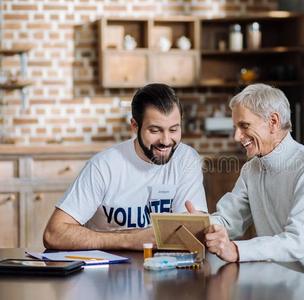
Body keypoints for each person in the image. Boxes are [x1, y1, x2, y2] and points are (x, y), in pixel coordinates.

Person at [185, 83, 304, 298]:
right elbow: (229, 221)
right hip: (292, 285)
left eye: (244, 126)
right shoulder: (251, 169)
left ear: (273, 122)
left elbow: (298, 241)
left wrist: (236, 250)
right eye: (236, 127)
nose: (237, 136)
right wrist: (203, 223)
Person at [43, 83, 208, 251]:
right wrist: (131, 240)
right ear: (135, 126)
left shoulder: (187, 159)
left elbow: (190, 232)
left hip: (165, 268)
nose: (166, 140)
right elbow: (54, 234)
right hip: (104, 271)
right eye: (155, 130)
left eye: (173, 130)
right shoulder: (103, 166)